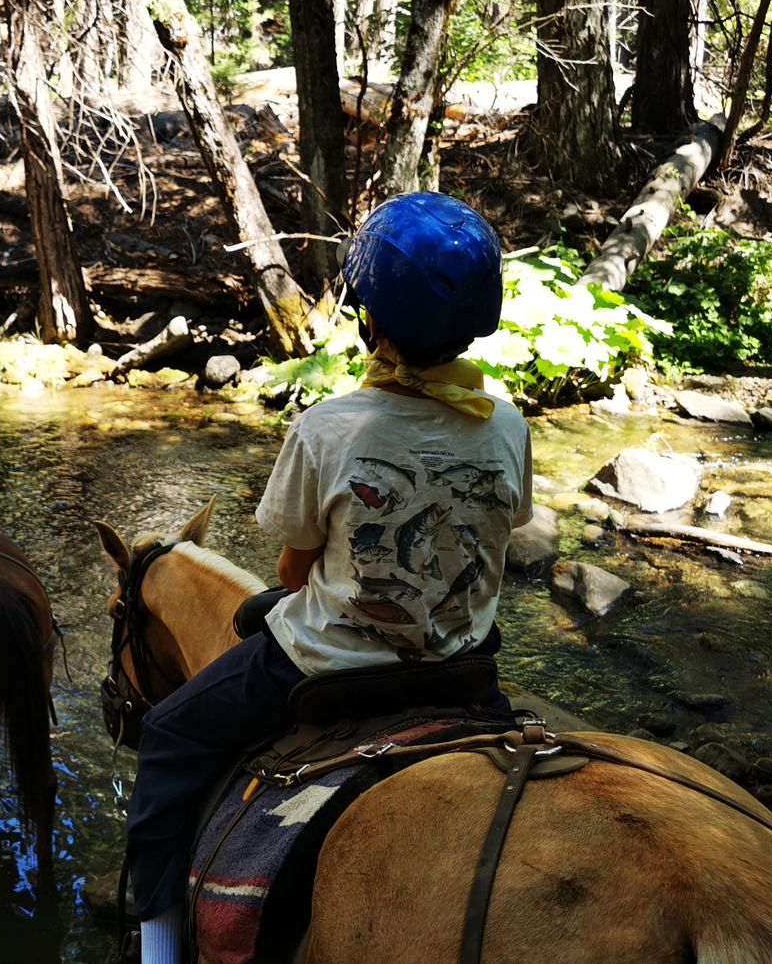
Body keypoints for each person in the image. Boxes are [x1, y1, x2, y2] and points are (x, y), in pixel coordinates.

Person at [127, 191, 534, 964]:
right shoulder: (506, 421)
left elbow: (290, 567)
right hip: (460, 666)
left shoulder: (328, 425)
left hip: (325, 661)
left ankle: (156, 947)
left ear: (371, 320)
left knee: (168, 734)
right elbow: (498, 531)